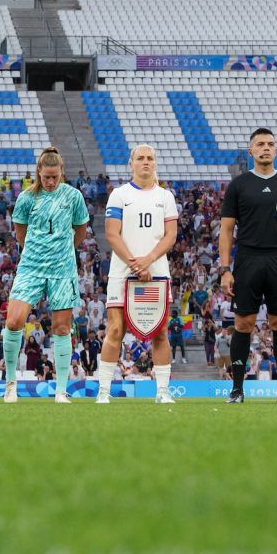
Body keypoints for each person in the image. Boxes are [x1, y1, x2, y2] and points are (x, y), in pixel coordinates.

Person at [219, 127, 277, 403]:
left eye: (270, 144)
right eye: (260, 144)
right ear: (251, 151)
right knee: (244, 323)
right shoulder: (238, 185)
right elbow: (226, 231)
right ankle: (236, 390)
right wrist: (225, 270)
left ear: (276, 149)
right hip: (247, 258)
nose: (266, 148)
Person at [1, 147, 90, 404]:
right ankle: (10, 384)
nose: (50, 182)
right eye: (46, 177)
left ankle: (61, 391)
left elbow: (81, 229)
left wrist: (64, 251)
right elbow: (20, 233)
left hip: (62, 270)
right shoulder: (26, 198)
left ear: (62, 172)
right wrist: (37, 252)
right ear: (38, 172)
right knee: (14, 321)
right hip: (31, 267)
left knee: (62, 328)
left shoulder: (73, 197)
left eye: (55, 177)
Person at [96, 145, 179, 404]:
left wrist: (148, 261)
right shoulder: (119, 195)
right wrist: (135, 263)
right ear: (130, 163)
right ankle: (104, 391)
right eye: (140, 158)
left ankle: (163, 392)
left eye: (150, 158)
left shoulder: (166, 196)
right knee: (115, 329)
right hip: (123, 272)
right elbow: (112, 234)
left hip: (156, 273)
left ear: (155, 163)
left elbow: (171, 235)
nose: (146, 162)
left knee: (160, 332)